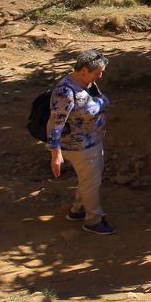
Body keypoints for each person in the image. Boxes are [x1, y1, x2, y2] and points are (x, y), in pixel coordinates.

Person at [46, 49, 114, 235]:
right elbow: (54, 123)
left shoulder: (85, 84)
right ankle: (93, 220)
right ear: (84, 70)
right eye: (97, 72)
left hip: (92, 142)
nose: (100, 76)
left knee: (89, 180)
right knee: (91, 183)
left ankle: (78, 210)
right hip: (79, 147)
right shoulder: (65, 92)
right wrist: (55, 153)